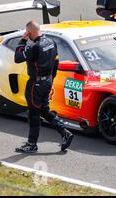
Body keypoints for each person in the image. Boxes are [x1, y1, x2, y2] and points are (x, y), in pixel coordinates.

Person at [14, 21, 74, 153]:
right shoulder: (52, 42)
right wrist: (51, 78)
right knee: (44, 110)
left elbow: (17, 58)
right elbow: (56, 61)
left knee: (34, 113)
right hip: (47, 82)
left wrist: (22, 41)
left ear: (29, 33)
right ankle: (65, 133)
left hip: (35, 84)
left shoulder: (33, 46)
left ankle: (31, 144)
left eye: (27, 33)